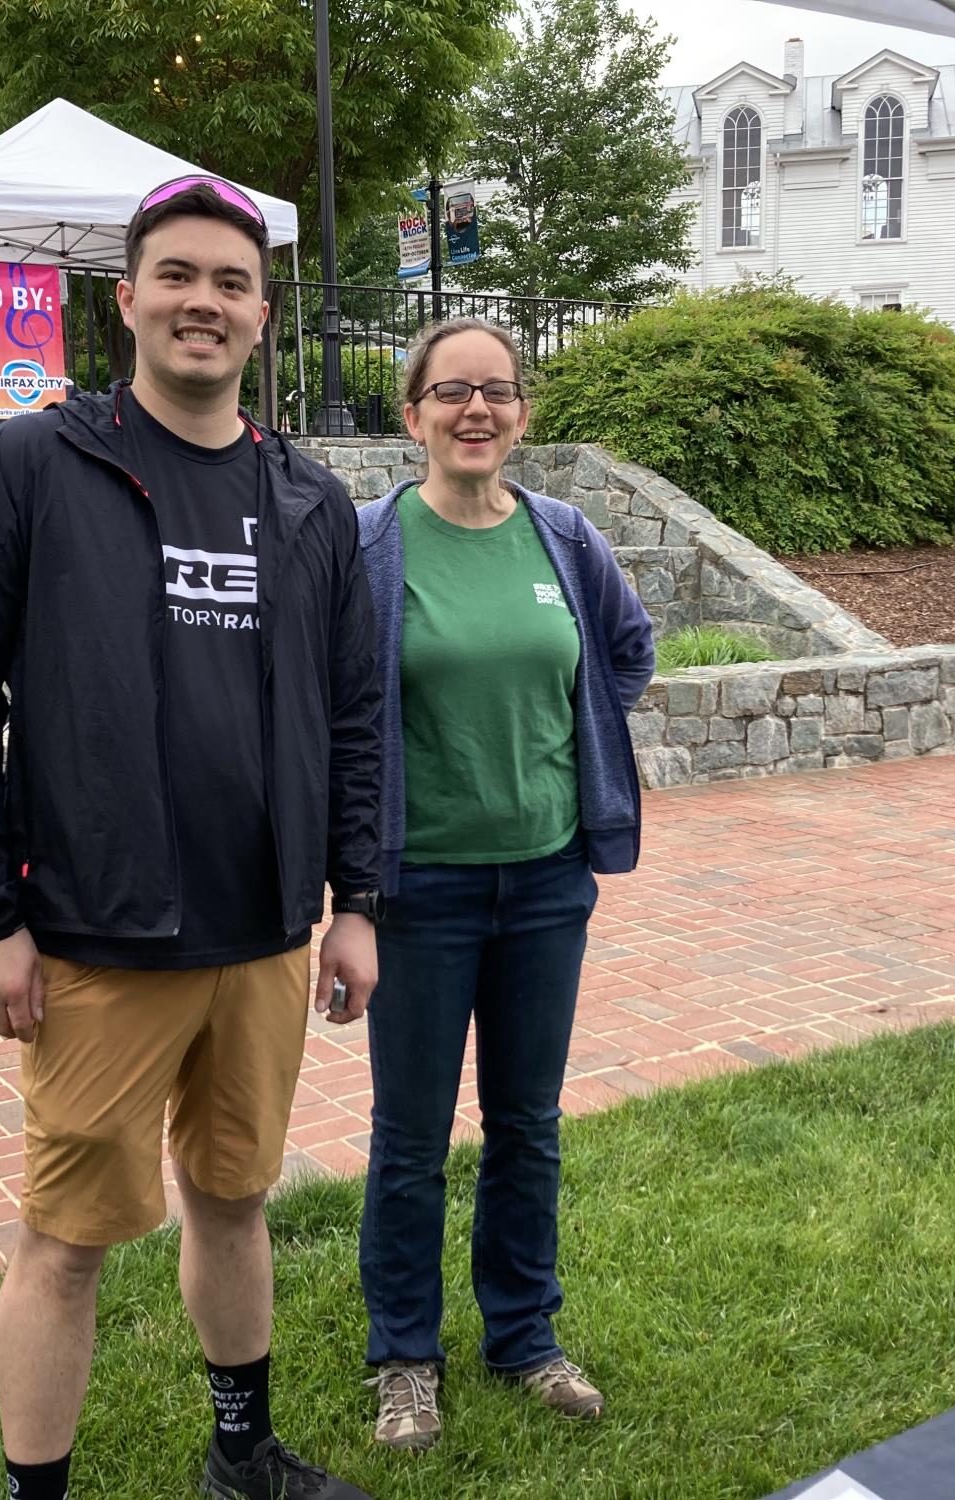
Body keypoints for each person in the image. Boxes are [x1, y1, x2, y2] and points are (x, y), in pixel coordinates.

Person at [0, 174, 385, 1500]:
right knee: (66, 1240)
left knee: (233, 1202)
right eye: (178, 276)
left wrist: (357, 900)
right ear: (124, 300)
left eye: (231, 283)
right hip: (97, 939)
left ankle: (243, 1458)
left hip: (259, 931)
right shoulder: (34, 466)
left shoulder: (307, 498)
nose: (204, 302)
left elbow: (356, 713)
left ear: (261, 315)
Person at [352, 318, 655, 1450]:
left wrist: (565, 753)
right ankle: (403, 1359)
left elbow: (624, 653)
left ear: (522, 411)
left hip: (543, 883)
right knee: (409, 1136)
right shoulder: (370, 542)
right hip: (417, 889)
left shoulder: (564, 537)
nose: (473, 411)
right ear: (412, 413)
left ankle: (523, 1336)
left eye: (496, 392)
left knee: (525, 1124)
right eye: (449, 393)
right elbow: (339, 701)